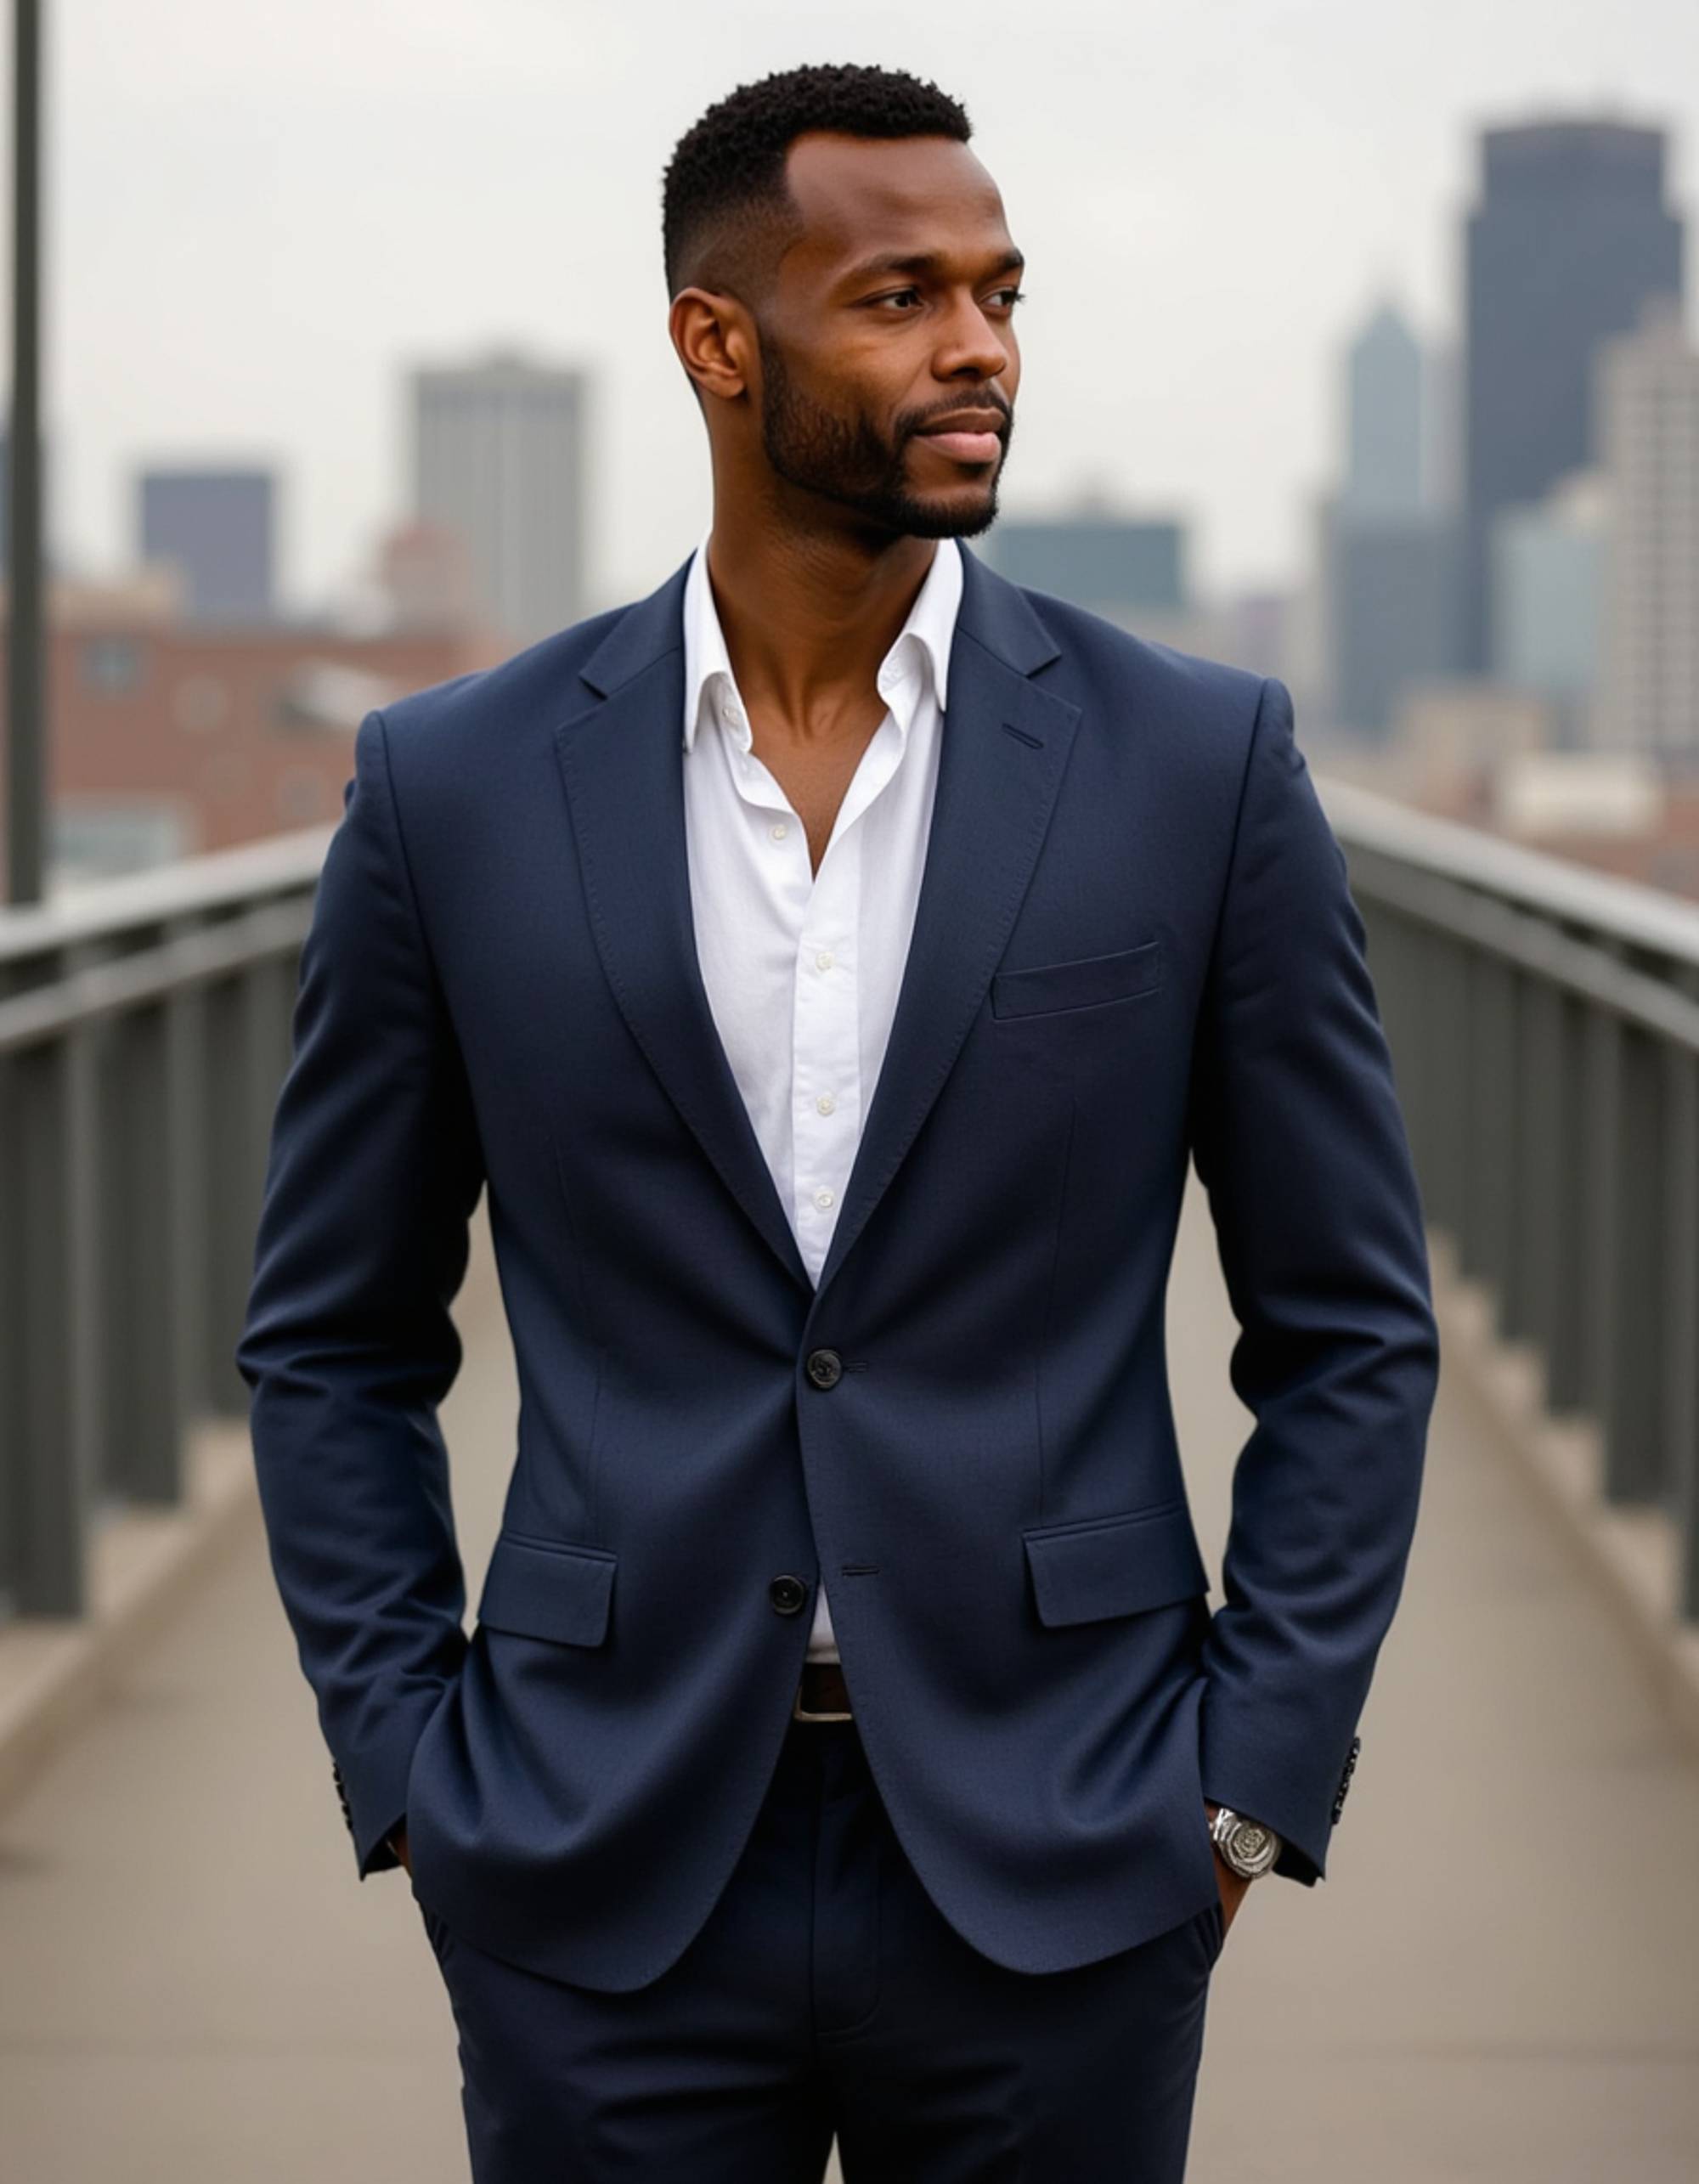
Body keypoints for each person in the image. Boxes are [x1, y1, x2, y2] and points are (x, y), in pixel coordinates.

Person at [237, 58, 1440, 2184]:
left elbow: (1349, 1323)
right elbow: (333, 1332)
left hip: (1067, 1848)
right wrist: (413, 1772)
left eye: (999, 293)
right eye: (900, 297)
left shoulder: (1195, 766)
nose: (978, 348)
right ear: (718, 341)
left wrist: (1246, 1788)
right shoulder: (455, 789)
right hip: (595, 1860)